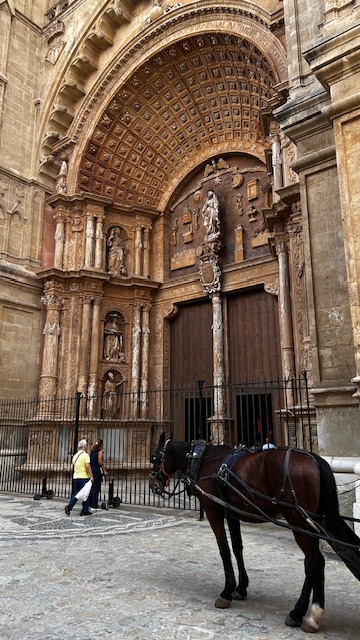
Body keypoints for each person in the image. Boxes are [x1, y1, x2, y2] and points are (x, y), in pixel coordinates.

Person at [64, 439, 94, 516]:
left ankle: (69, 507)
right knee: (86, 494)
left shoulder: (75, 456)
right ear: (85, 447)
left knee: (77, 493)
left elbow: (74, 464)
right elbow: (87, 466)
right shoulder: (85, 455)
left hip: (76, 477)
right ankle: (85, 510)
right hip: (84, 477)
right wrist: (91, 476)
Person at [89, 439, 108, 510]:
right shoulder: (100, 452)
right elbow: (100, 462)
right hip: (96, 470)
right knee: (96, 487)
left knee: (92, 487)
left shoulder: (92, 451)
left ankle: (90, 503)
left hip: (91, 469)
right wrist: (104, 470)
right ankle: (94, 504)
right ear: (101, 445)